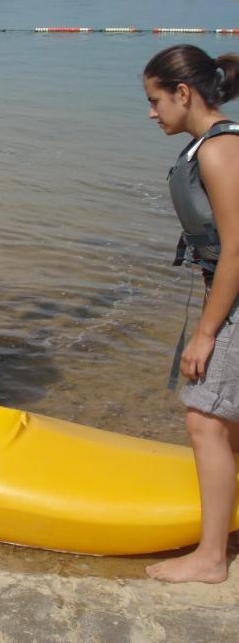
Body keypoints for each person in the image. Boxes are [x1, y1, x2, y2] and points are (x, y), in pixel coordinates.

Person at [142, 44, 239, 584]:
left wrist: (205, 335)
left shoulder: (220, 149)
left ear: (184, 93)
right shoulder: (212, 144)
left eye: (156, 100)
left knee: (205, 418)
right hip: (228, 297)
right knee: (229, 421)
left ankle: (210, 559)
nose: (152, 112)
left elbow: (236, 249)